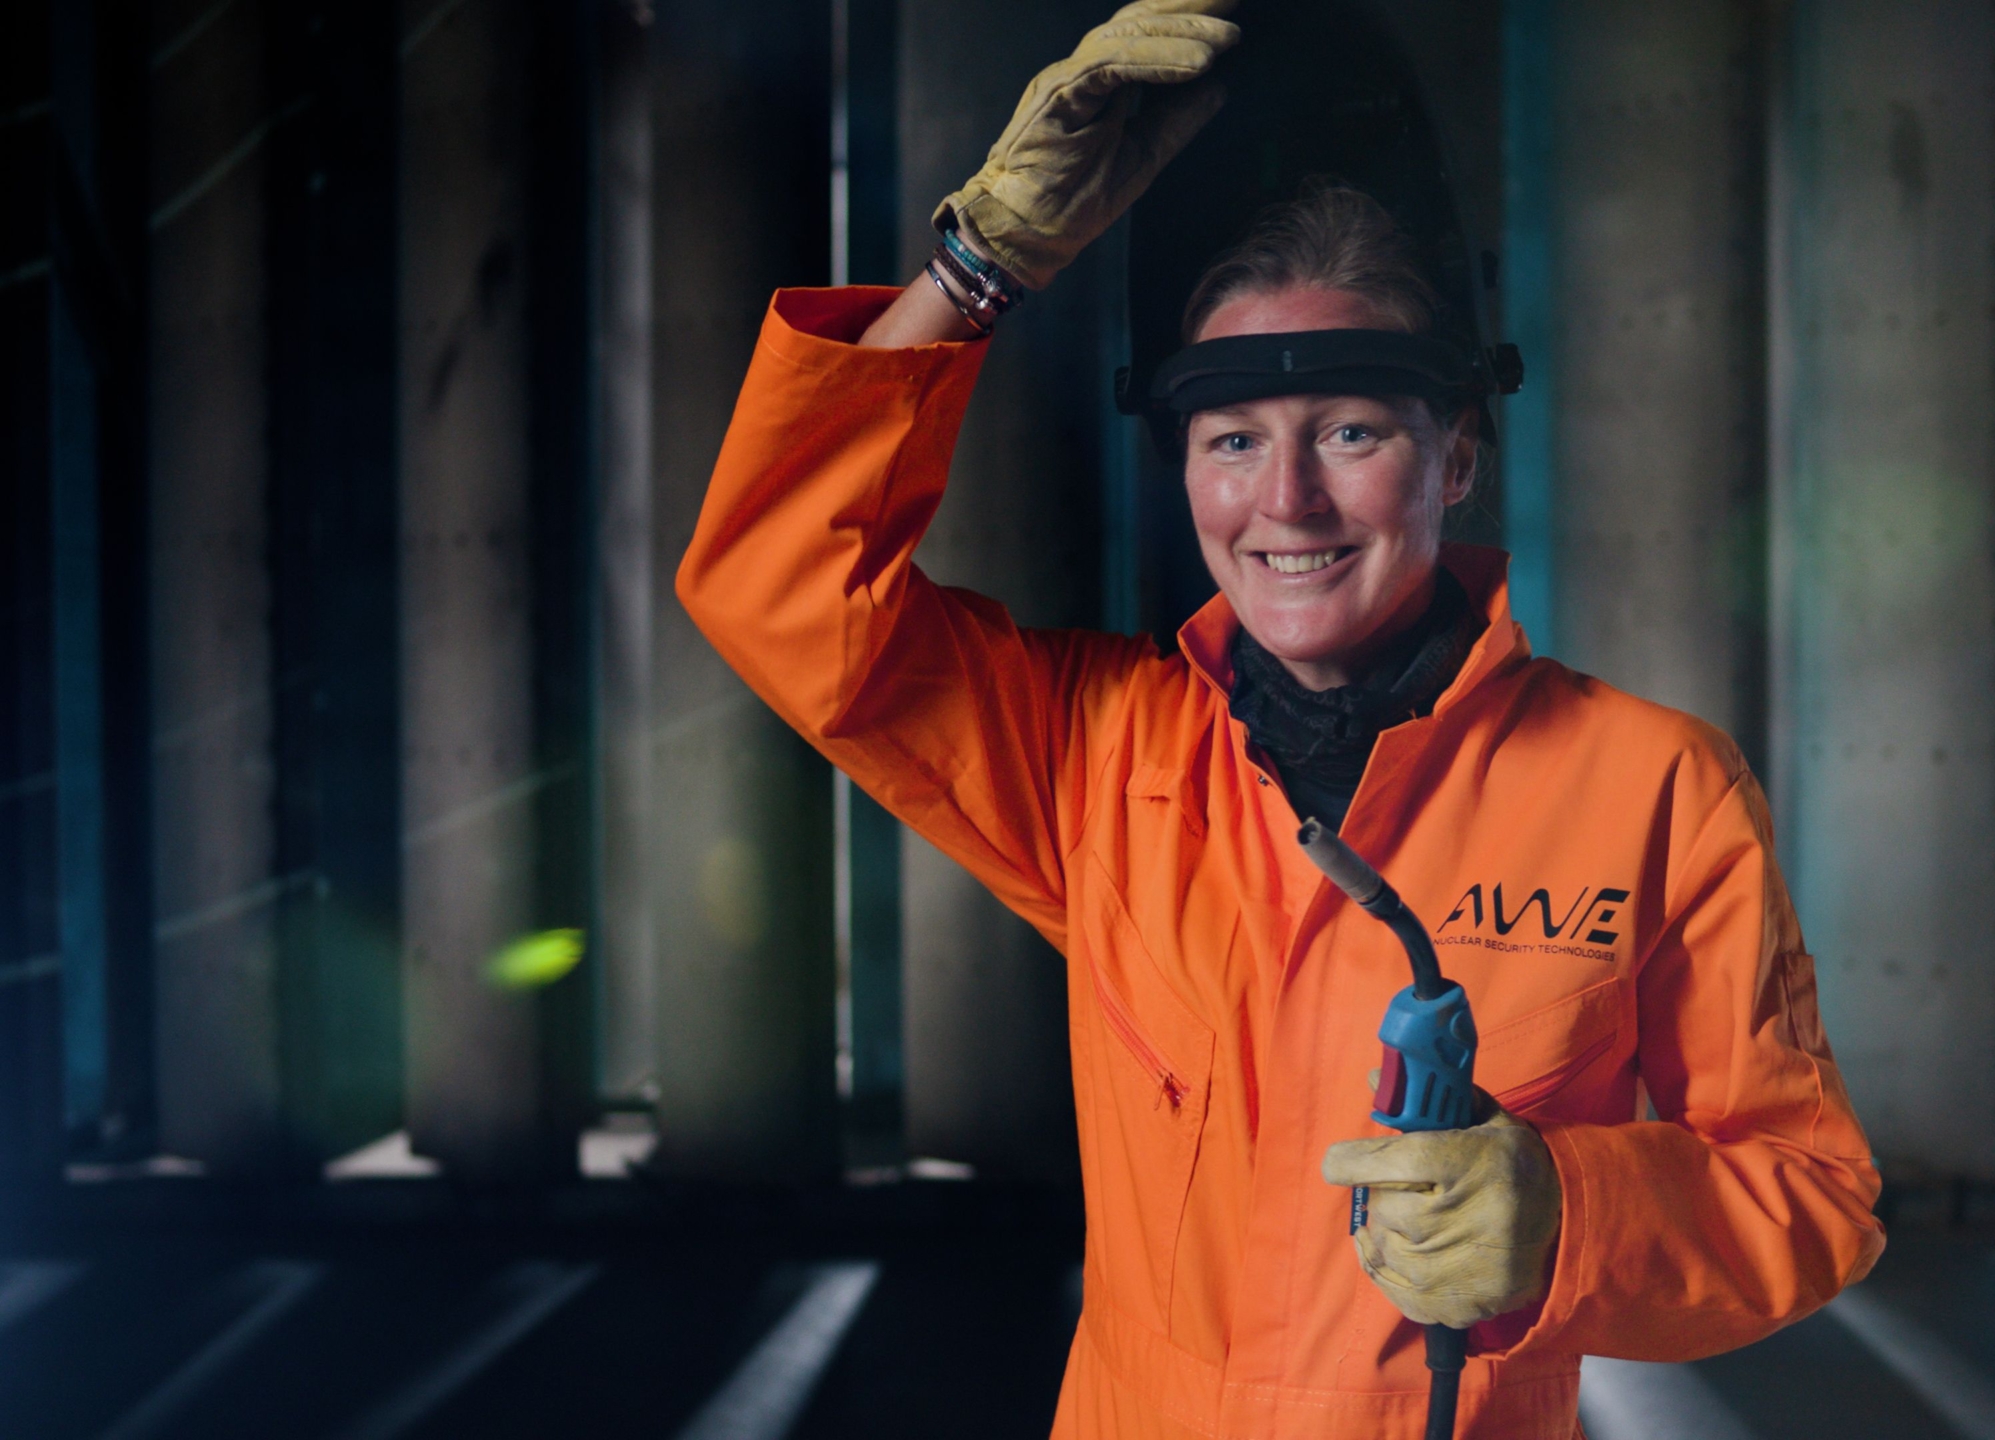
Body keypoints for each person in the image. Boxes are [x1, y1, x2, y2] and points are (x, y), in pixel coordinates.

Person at [677, 2, 1884, 1434]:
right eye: (1233, 441)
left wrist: (1569, 1214)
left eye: (1353, 434)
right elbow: (779, 586)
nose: (1286, 503)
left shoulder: (1652, 785)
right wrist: (976, 269)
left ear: (1455, 460)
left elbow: (1809, 1191)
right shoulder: (1096, 754)